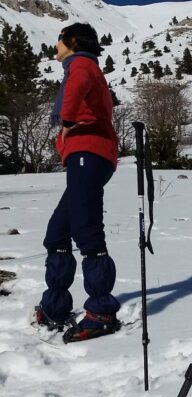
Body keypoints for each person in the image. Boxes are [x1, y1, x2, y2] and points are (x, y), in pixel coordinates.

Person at [34, 23, 121, 343]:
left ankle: (101, 312)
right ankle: (55, 306)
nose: (55, 44)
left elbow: (78, 86)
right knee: (57, 233)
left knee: (86, 228)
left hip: (90, 152)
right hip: (84, 154)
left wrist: (68, 121)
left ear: (71, 41)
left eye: (58, 38)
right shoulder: (81, 65)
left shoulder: (81, 64)